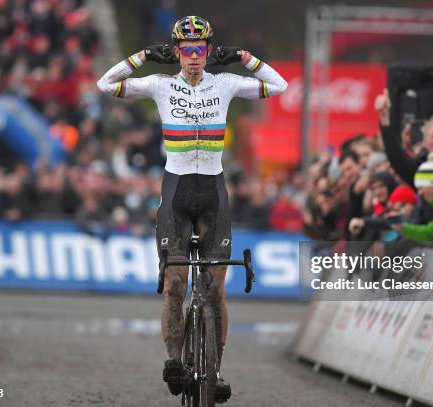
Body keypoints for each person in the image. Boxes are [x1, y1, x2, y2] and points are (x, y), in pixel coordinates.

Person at [96, 15, 287, 403]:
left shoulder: (226, 83)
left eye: (201, 49)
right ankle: (173, 359)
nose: (194, 57)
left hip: (214, 193)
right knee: (175, 285)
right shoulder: (161, 85)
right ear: (177, 53)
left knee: (216, 289)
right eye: (187, 50)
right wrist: (145, 56)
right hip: (177, 191)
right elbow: (106, 83)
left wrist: (245, 58)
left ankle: (214, 370)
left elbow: (279, 85)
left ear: (208, 51)